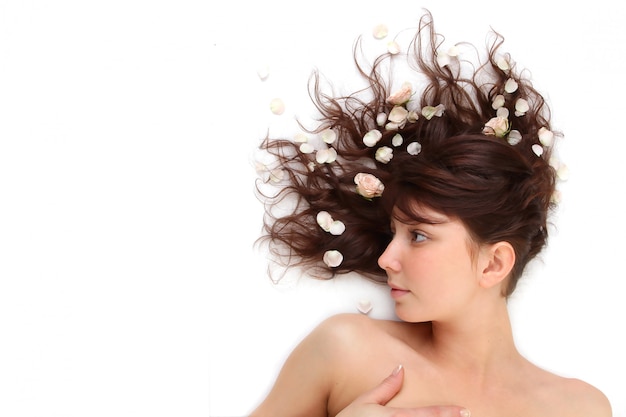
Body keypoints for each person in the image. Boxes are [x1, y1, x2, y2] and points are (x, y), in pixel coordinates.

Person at [250, 10, 612, 417]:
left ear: (493, 263)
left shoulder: (580, 408)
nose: (387, 258)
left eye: (418, 235)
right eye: (394, 233)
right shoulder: (343, 349)